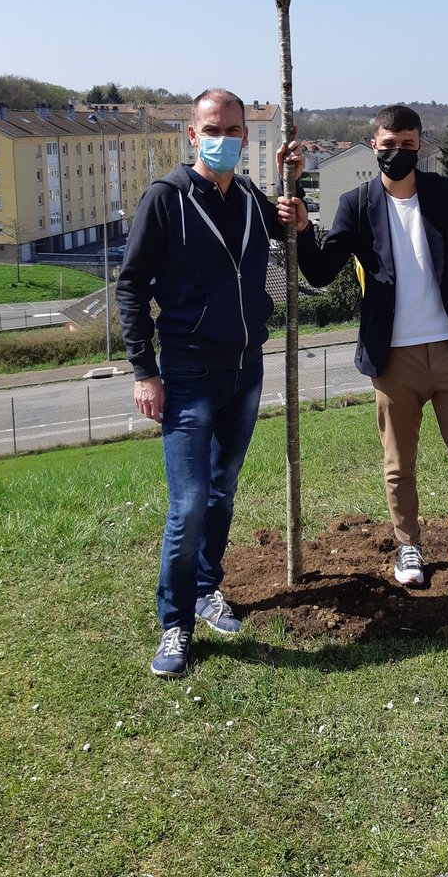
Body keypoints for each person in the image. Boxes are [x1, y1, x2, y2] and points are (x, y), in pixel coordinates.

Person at [280, 104, 448, 593]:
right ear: (374, 145)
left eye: (407, 145)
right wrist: (302, 223)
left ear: (420, 145)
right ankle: (409, 546)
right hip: (393, 358)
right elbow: (320, 272)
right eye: (388, 145)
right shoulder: (357, 204)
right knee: (398, 465)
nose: (397, 153)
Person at [115, 89, 305, 678]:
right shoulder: (165, 198)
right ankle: (175, 624)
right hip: (188, 374)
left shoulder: (248, 197)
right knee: (189, 503)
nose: (222, 138)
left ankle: (205, 588)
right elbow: (131, 287)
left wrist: (292, 185)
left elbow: (283, 238)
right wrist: (144, 371)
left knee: (222, 492)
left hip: (246, 371)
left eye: (233, 130)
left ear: (246, 136)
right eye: (211, 129)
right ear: (193, 135)